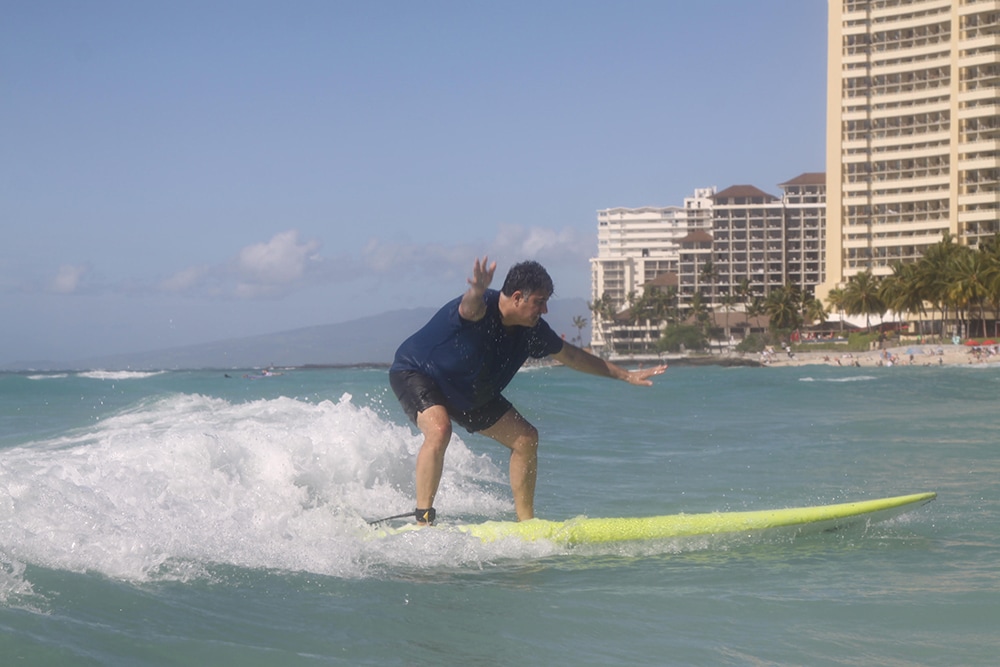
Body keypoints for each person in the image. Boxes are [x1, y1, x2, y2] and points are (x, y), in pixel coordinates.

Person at [389, 256, 667, 524]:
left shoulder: (532, 330)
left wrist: (625, 375)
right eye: (540, 302)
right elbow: (468, 307)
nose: (544, 310)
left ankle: (527, 523)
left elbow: (574, 357)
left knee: (525, 439)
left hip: (470, 392)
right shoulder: (483, 306)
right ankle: (423, 520)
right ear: (518, 296)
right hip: (418, 373)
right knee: (439, 429)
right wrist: (476, 288)